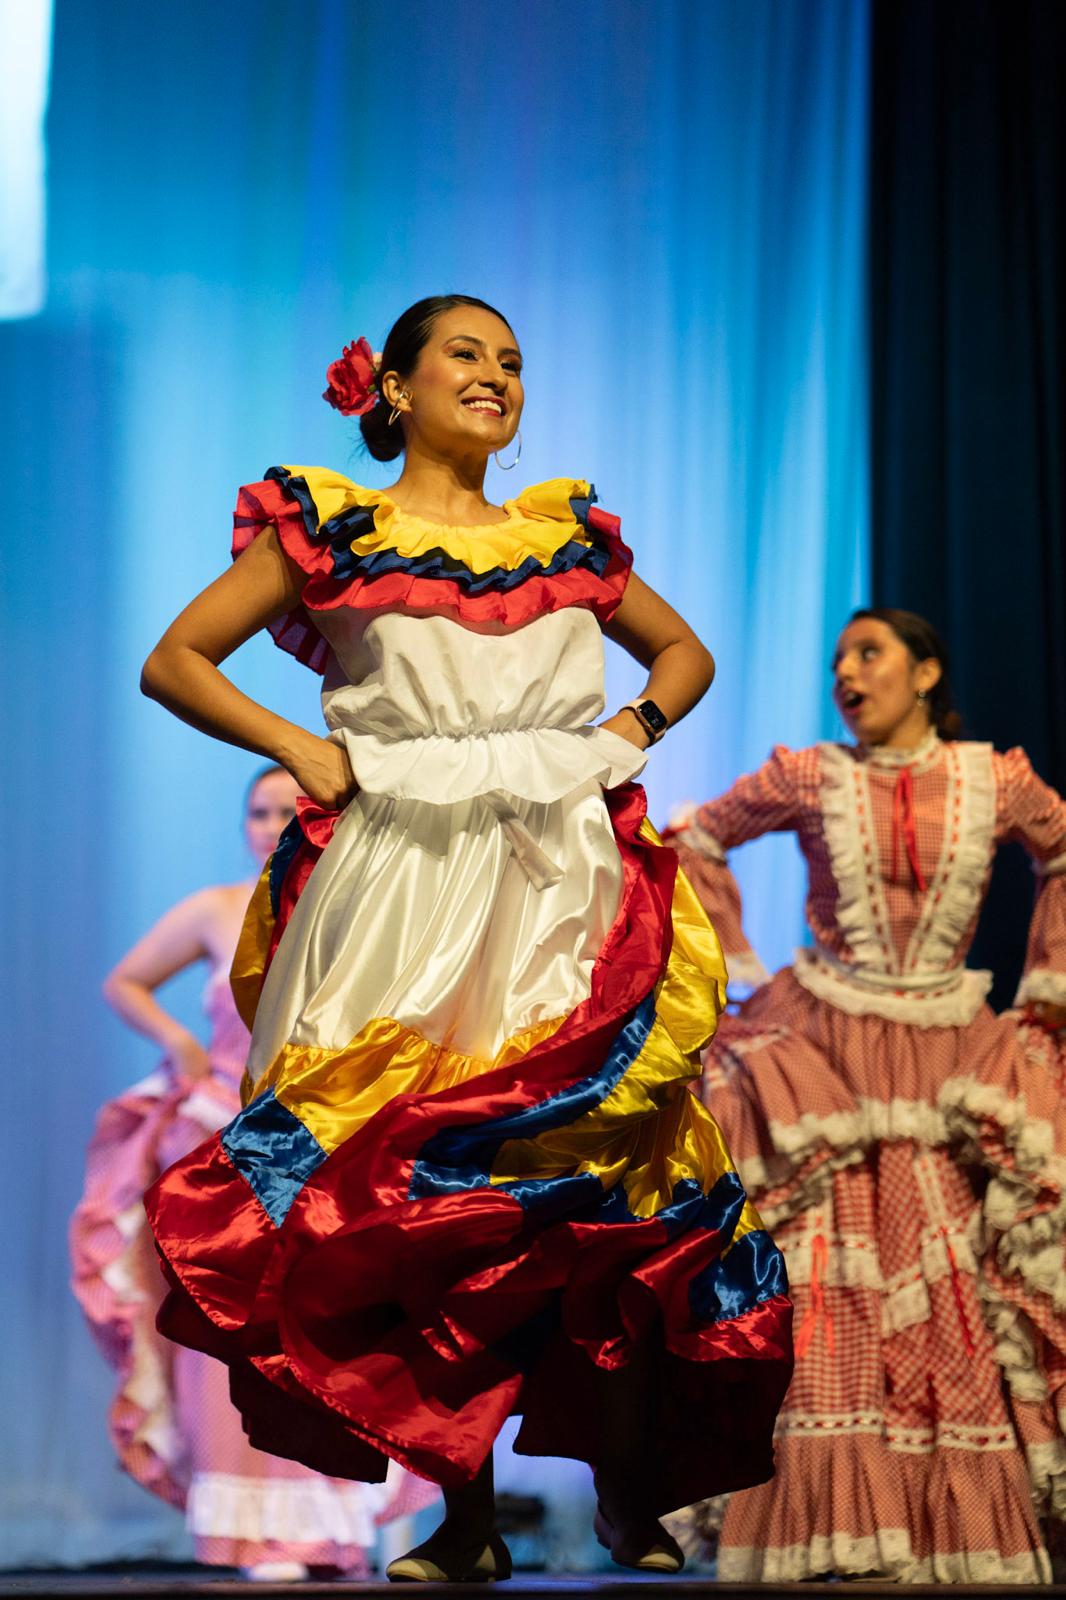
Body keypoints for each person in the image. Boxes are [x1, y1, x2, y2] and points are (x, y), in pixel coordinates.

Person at [136, 295, 793, 1582]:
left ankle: (625, 1484)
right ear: (395, 385)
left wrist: (627, 733)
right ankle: (465, 1511)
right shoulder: (335, 526)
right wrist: (299, 745)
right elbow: (176, 660)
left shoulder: (562, 535)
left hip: (562, 877)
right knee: (418, 1187)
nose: (496, 376)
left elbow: (681, 653)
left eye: (512, 361)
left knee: (594, 1165)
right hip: (401, 880)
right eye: (466, 355)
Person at [666, 607, 1066, 1583]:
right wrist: (738, 975)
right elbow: (695, 836)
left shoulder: (991, 777)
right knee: (828, 1285)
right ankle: (832, 1526)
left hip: (946, 1050)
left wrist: (1047, 989)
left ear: (925, 673)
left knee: (954, 1282)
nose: (847, 673)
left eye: (869, 653)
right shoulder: (813, 774)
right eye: (838, 659)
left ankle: (936, 1529)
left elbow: (1061, 849)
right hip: (830, 1052)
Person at [71, 765, 437, 1579]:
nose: (273, 825)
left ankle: (328, 1526)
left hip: (329, 1146)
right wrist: (179, 1043)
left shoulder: (365, 913)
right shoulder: (216, 909)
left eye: (290, 811)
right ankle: (253, 1533)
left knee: (324, 1331)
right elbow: (125, 981)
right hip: (228, 1140)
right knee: (229, 1331)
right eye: (260, 812)